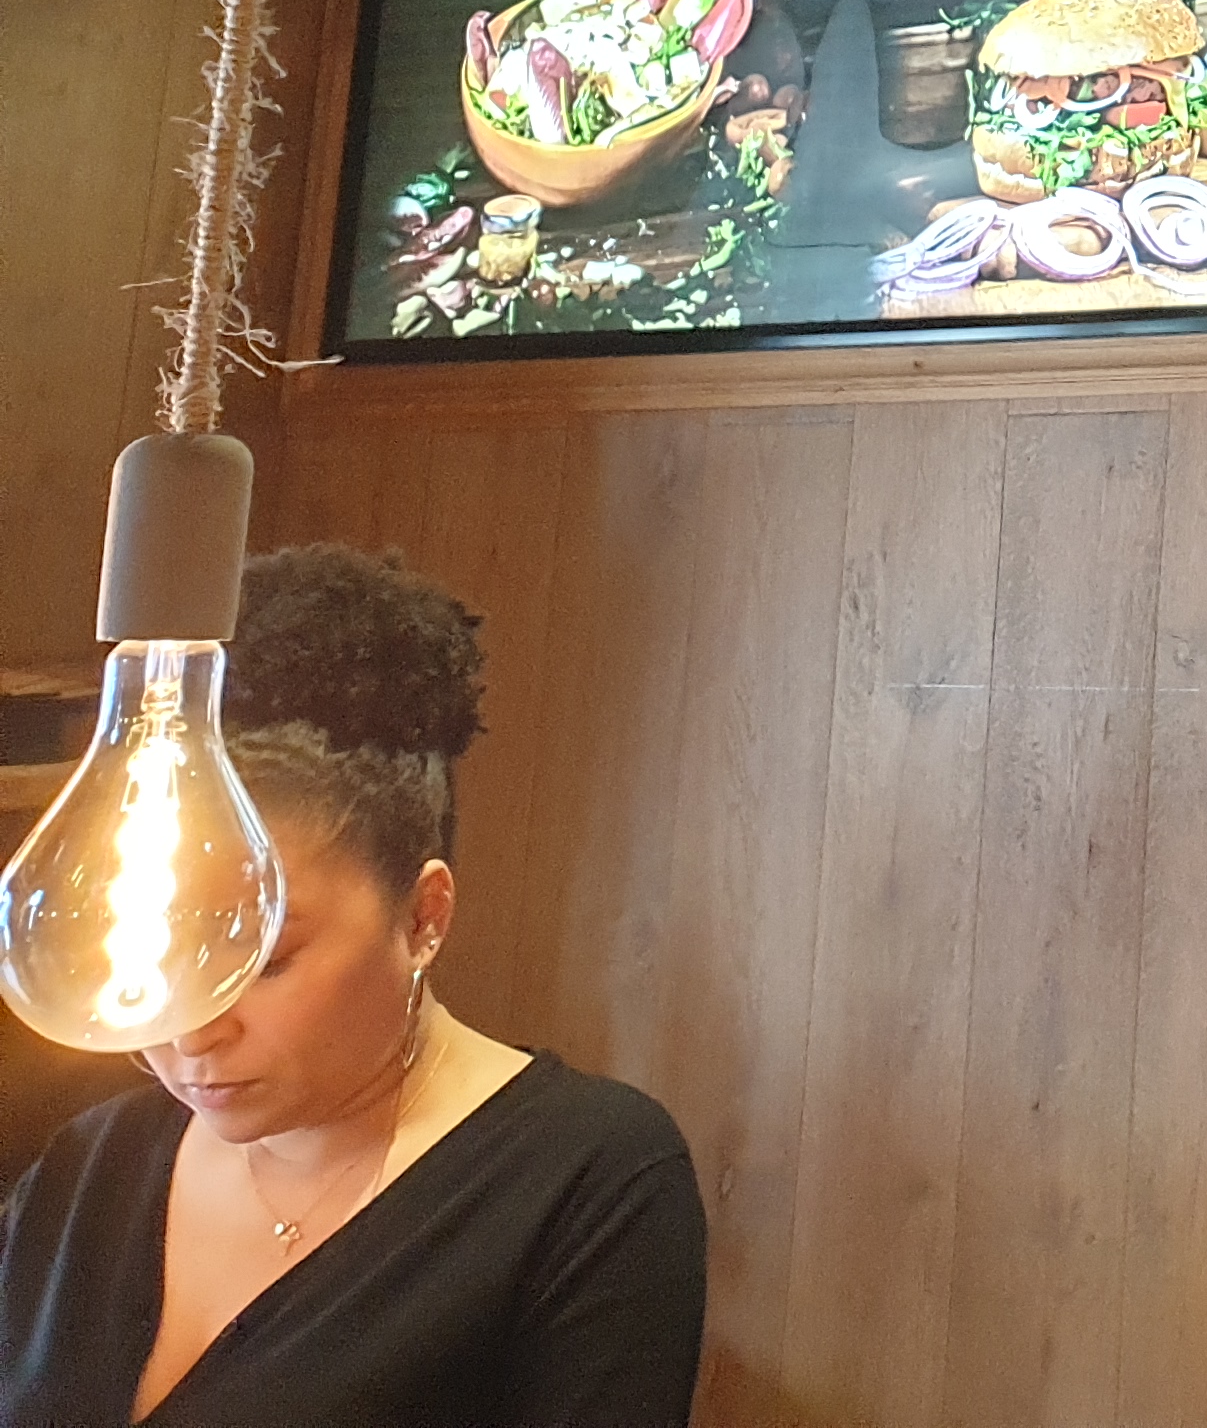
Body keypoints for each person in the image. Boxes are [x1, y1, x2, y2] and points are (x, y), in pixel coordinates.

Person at [0, 545, 704, 1424]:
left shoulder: (588, 1179)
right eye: (159, 952)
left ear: (423, 917)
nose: (193, 1029)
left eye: (263, 961)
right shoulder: (92, 1165)